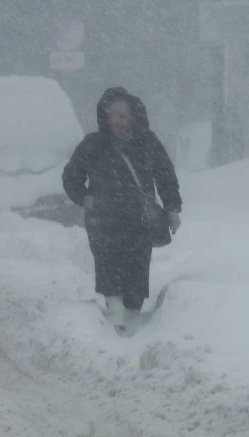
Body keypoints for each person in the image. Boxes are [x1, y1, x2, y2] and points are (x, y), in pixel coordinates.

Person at [62, 87, 182, 332]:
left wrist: (172, 208)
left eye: (122, 115)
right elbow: (71, 174)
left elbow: (166, 176)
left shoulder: (147, 142)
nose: (116, 120)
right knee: (107, 262)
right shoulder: (93, 144)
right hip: (103, 219)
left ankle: (133, 314)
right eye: (111, 115)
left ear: (133, 116)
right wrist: (83, 197)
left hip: (140, 218)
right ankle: (115, 313)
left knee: (138, 263)